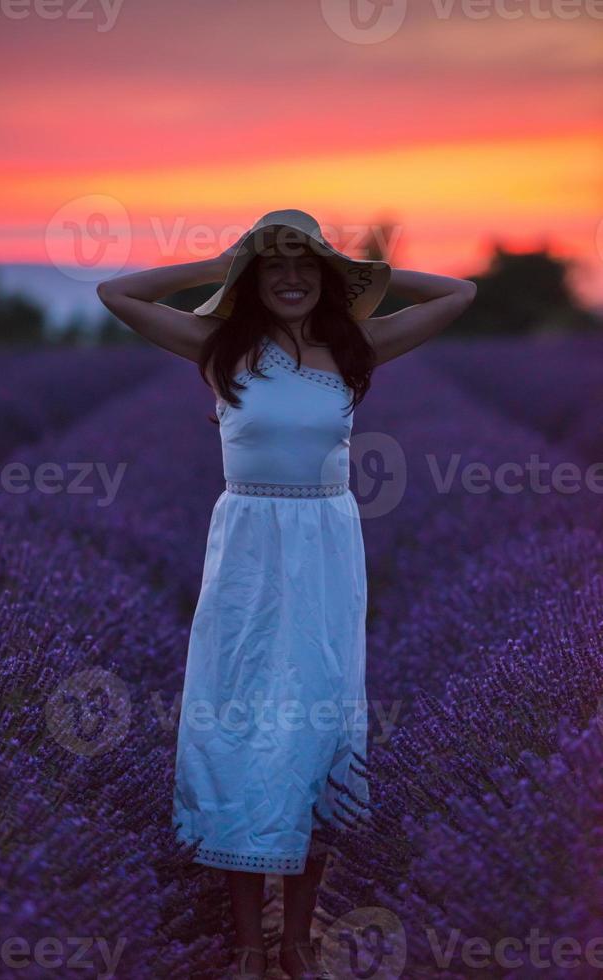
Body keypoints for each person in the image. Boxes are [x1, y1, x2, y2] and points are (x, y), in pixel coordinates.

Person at [97, 209, 477, 979]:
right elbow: (117, 292)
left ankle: (298, 939)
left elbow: (459, 294)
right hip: (246, 552)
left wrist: (355, 269)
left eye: (307, 267)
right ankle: (245, 941)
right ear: (254, 280)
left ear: (327, 278)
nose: (293, 279)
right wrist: (220, 263)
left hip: (328, 550)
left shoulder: (352, 348)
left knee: (315, 730)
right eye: (275, 267)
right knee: (239, 732)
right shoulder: (218, 347)